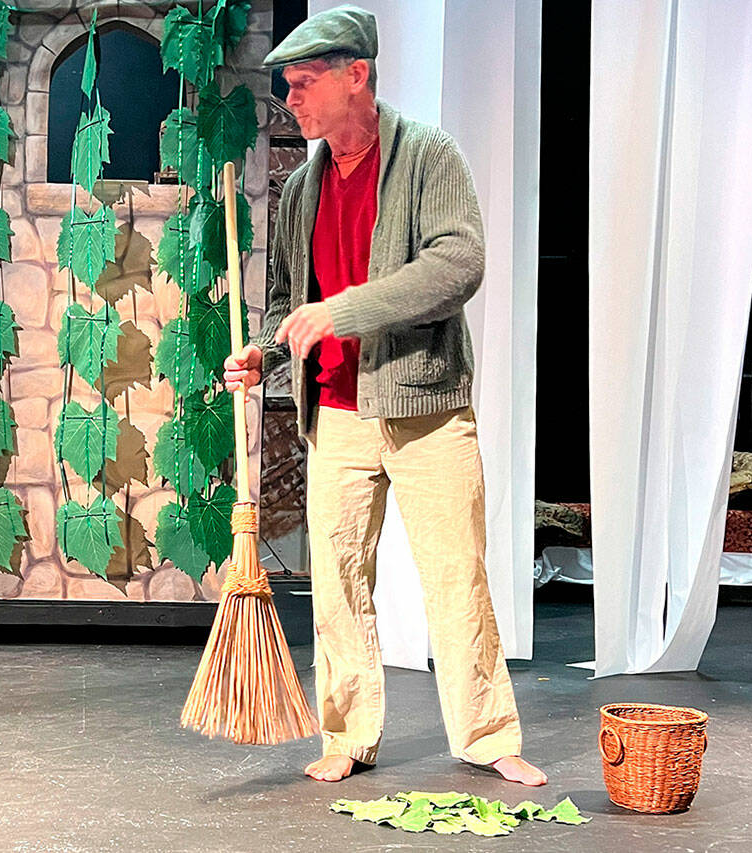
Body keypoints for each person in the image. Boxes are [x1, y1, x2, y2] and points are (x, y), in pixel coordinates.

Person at [224, 6, 547, 786]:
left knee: (456, 576)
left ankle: (488, 733)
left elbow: (457, 265)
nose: (292, 102)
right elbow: (283, 302)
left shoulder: (430, 156)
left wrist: (344, 310)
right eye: (289, 87)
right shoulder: (300, 187)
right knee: (336, 581)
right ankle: (348, 731)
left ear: (356, 76)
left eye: (304, 85)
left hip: (427, 407)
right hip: (335, 413)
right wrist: (263, 351)